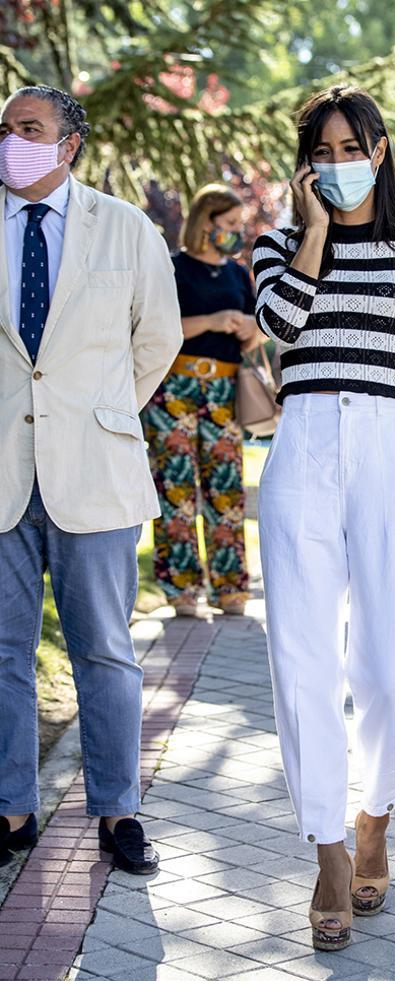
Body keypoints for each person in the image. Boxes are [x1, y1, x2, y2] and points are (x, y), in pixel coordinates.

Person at [252, 85, 395, 950]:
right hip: (301, 444)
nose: (337, 164)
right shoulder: (278, 246)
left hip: (389, 445)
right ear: (305, 163)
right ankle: (329, 849)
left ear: (380, 149)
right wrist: (314, 232)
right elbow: (280, 324)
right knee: (302, 656)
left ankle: (376, 812)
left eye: (351, 147)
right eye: (321, 151)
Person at [0, 86, 183, 871]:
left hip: (98, 473)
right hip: (4, 468)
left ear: (68, 144)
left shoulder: (126, 227)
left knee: (106, 651)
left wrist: (104, 412)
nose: (12, 140)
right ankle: (12, 809)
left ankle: (118, 811)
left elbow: (159, 338)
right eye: (5, 129)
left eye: (28, 129)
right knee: (3, 652)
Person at [144, 184, 261, 619]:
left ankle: (230, 586)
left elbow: (256, 333)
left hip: (225, 390)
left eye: (238, 225)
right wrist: (212, 320)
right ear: (205, 221)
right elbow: (155, 328)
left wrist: (248, 327)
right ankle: (181, 588)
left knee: (225, 489)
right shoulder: (172, 268)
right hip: (175, 386)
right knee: (175, 489)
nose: (235, 232)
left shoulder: (237, 273)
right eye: (228, 224)